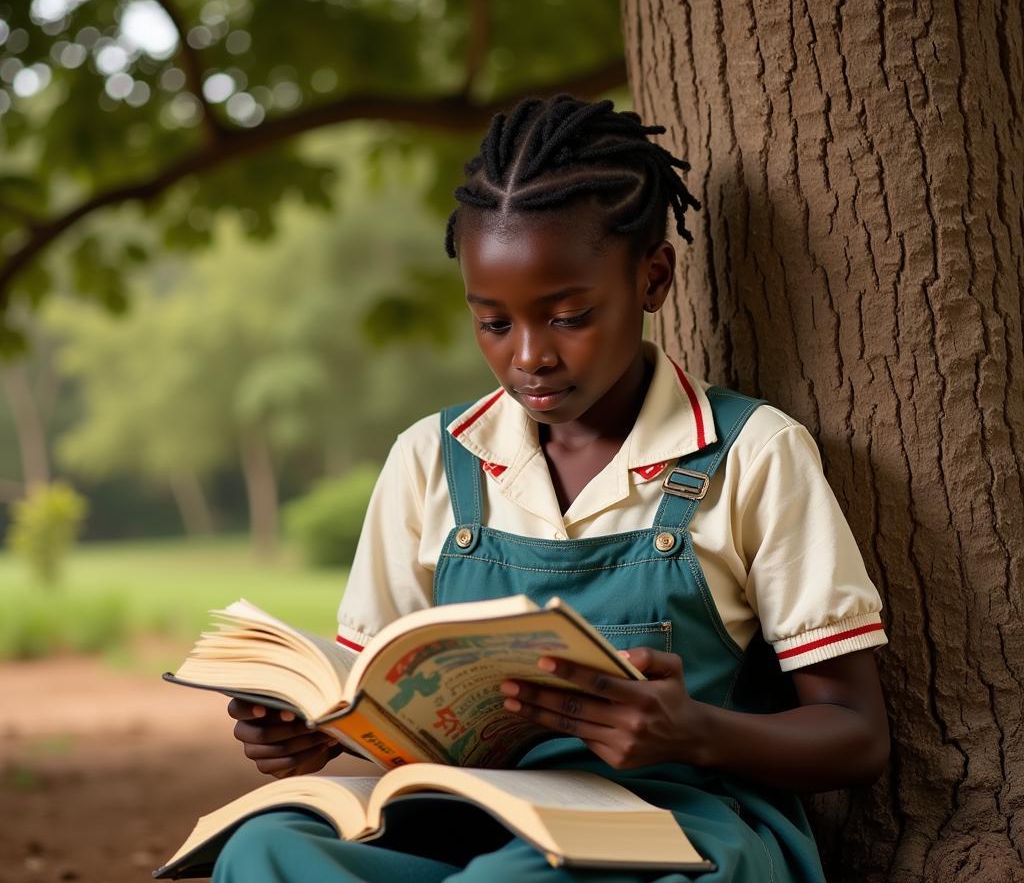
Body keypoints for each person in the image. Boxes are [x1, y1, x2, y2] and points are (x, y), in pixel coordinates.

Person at [217, 95, 890, 882]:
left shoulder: (752, 454)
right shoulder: (432, 460)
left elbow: (856, 734)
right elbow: (379, 706)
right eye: (494, 324)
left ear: (654, 277)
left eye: (568, 316)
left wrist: (694, 730)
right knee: (265, 850)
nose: (529, 356)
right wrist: (315, 733)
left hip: (680, 828)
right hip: (474, 820)